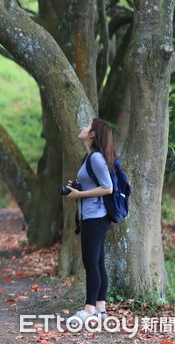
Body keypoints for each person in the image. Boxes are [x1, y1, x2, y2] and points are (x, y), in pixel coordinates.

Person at [65, 118, 115, 323]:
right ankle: (101, 308)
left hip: (95, 217)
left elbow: (108, 187)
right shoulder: (90, 158)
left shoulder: (95, 158)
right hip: (93, 217)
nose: (83, 127)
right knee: (98, 262)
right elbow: (94, 184)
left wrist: (79, 195)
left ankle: (89, 308)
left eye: (87, 126)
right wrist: (77, 187)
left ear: (93, 134)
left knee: (91, 263)